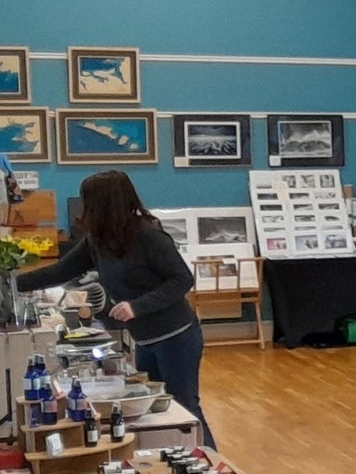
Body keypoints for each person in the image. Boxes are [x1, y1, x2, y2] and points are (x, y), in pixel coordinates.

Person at [17, 170, 216, 446]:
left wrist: (137, 307)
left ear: (105, 204)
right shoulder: (97, 240)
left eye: (89, 203)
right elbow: (60, 271)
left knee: (185, 410)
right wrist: (11, 282)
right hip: (146, 340)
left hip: (177, 337)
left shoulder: (149, 236)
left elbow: (183, 279)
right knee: (154, 412)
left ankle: (214, 467)